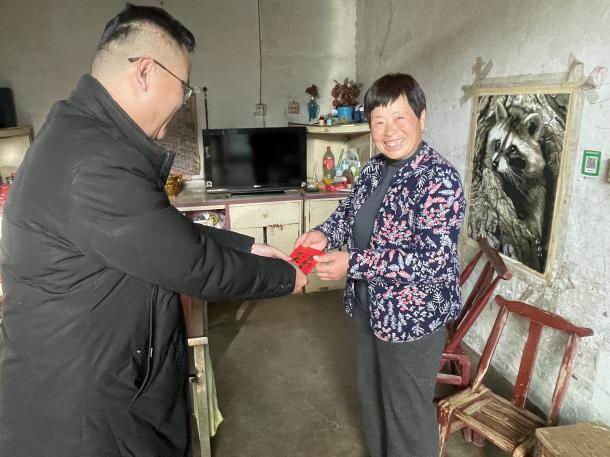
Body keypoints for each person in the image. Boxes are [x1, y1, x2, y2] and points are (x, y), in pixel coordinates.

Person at [0, 4, 307, 457]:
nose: (183, 103)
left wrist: (248, 247)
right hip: (86, 415)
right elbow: (195, 266)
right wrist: (285, 277)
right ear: (145, 71)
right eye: (183, 87)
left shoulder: (81, 136)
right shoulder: (97, 163)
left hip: (92, 383)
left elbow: (159, 233)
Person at [295, 73, 466, 457]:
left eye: (400, 117)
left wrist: (353, 263)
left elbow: (430, 259)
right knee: (372, 399)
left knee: (407, 415)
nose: (389, 131)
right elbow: (348, 214)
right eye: (379, 121)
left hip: (411, 319)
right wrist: (322, 234)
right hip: (367, 308)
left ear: (422, 117)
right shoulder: (373, 169)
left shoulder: (439, 179)